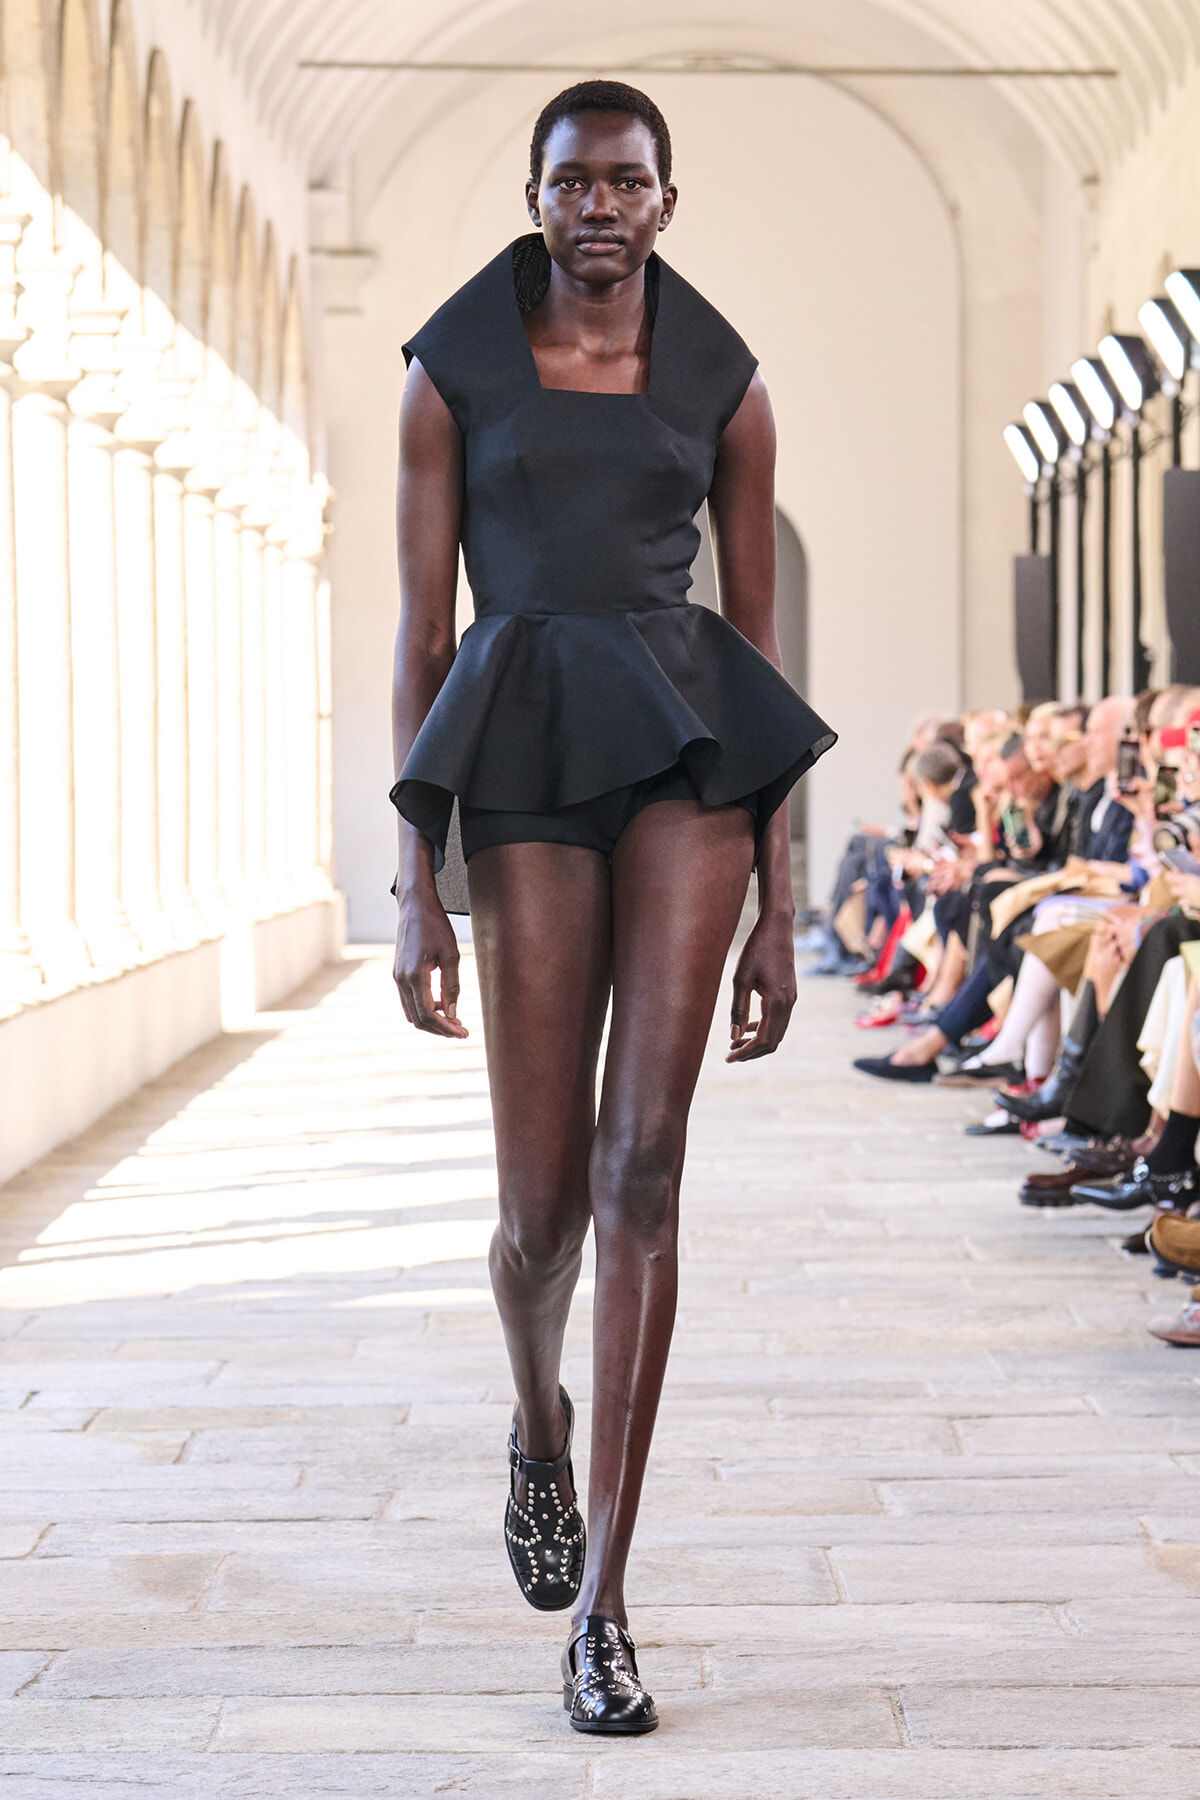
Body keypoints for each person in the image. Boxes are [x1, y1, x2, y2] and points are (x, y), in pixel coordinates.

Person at [388, 80, 834, 1735]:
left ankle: (606, 1605)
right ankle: (537, 1426)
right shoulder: (451, 376)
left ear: (666, 197)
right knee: (544, 1214)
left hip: (686, 748)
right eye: (572, 180)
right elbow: (420, 637)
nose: (598, 204)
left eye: (626, 181)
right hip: (516, 750)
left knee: (648, 1166)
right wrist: (415, 884)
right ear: (534, 192)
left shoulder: (728, 380)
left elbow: (763, 646)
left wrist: (780, 904)